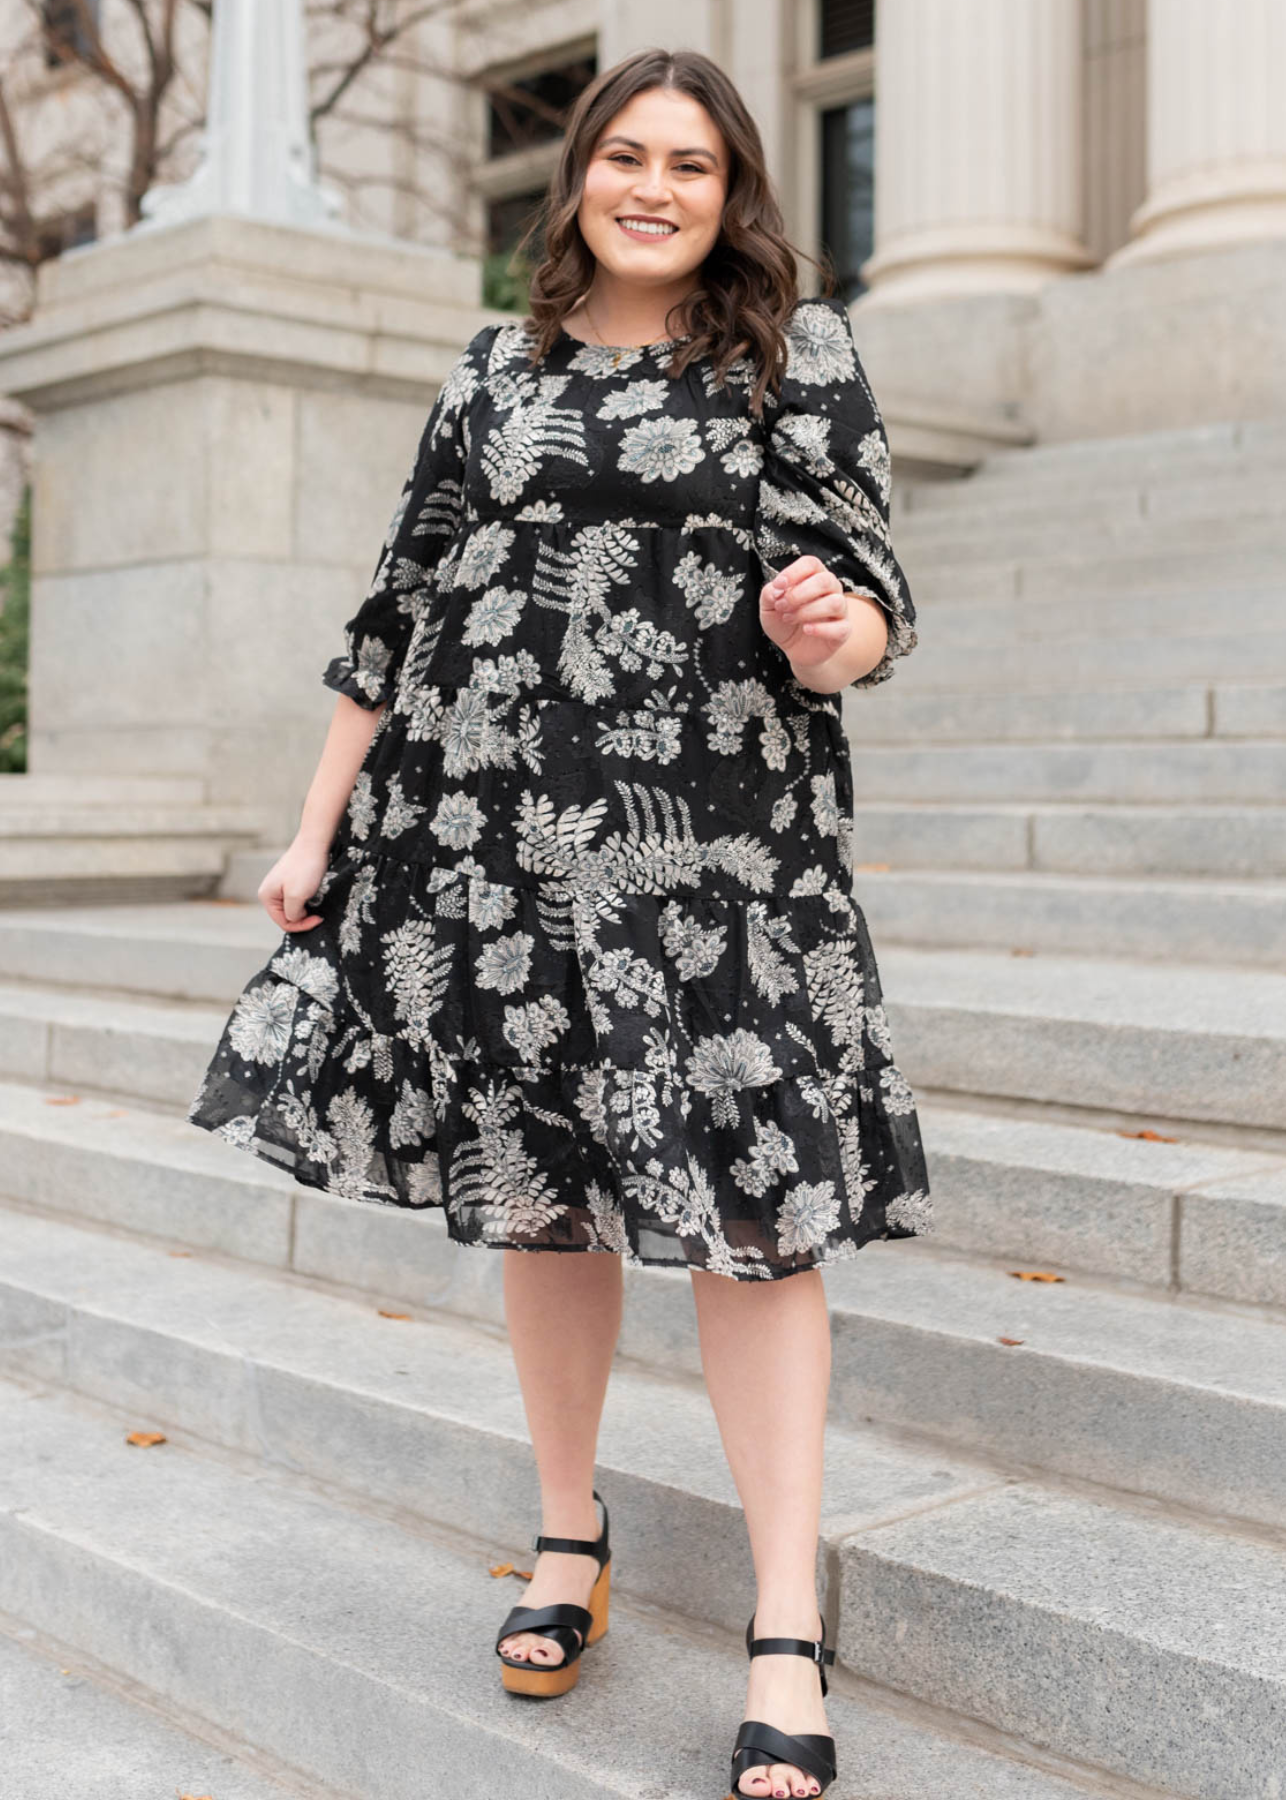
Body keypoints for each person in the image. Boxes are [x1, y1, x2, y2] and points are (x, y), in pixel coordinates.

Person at [187, 45, 932, 1800]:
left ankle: (779, 1628)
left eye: (690, 161)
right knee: (541, 1198)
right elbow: (399, 613)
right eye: (624, 155)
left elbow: (873, 593)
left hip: (719, 855)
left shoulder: (790, 352)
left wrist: (832, 631)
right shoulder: (490, 367)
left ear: (731, 188)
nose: (654, 184)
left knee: (756, 1221)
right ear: (578, 176)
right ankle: (565, 1534)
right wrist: (315, 833)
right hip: (498, 841)